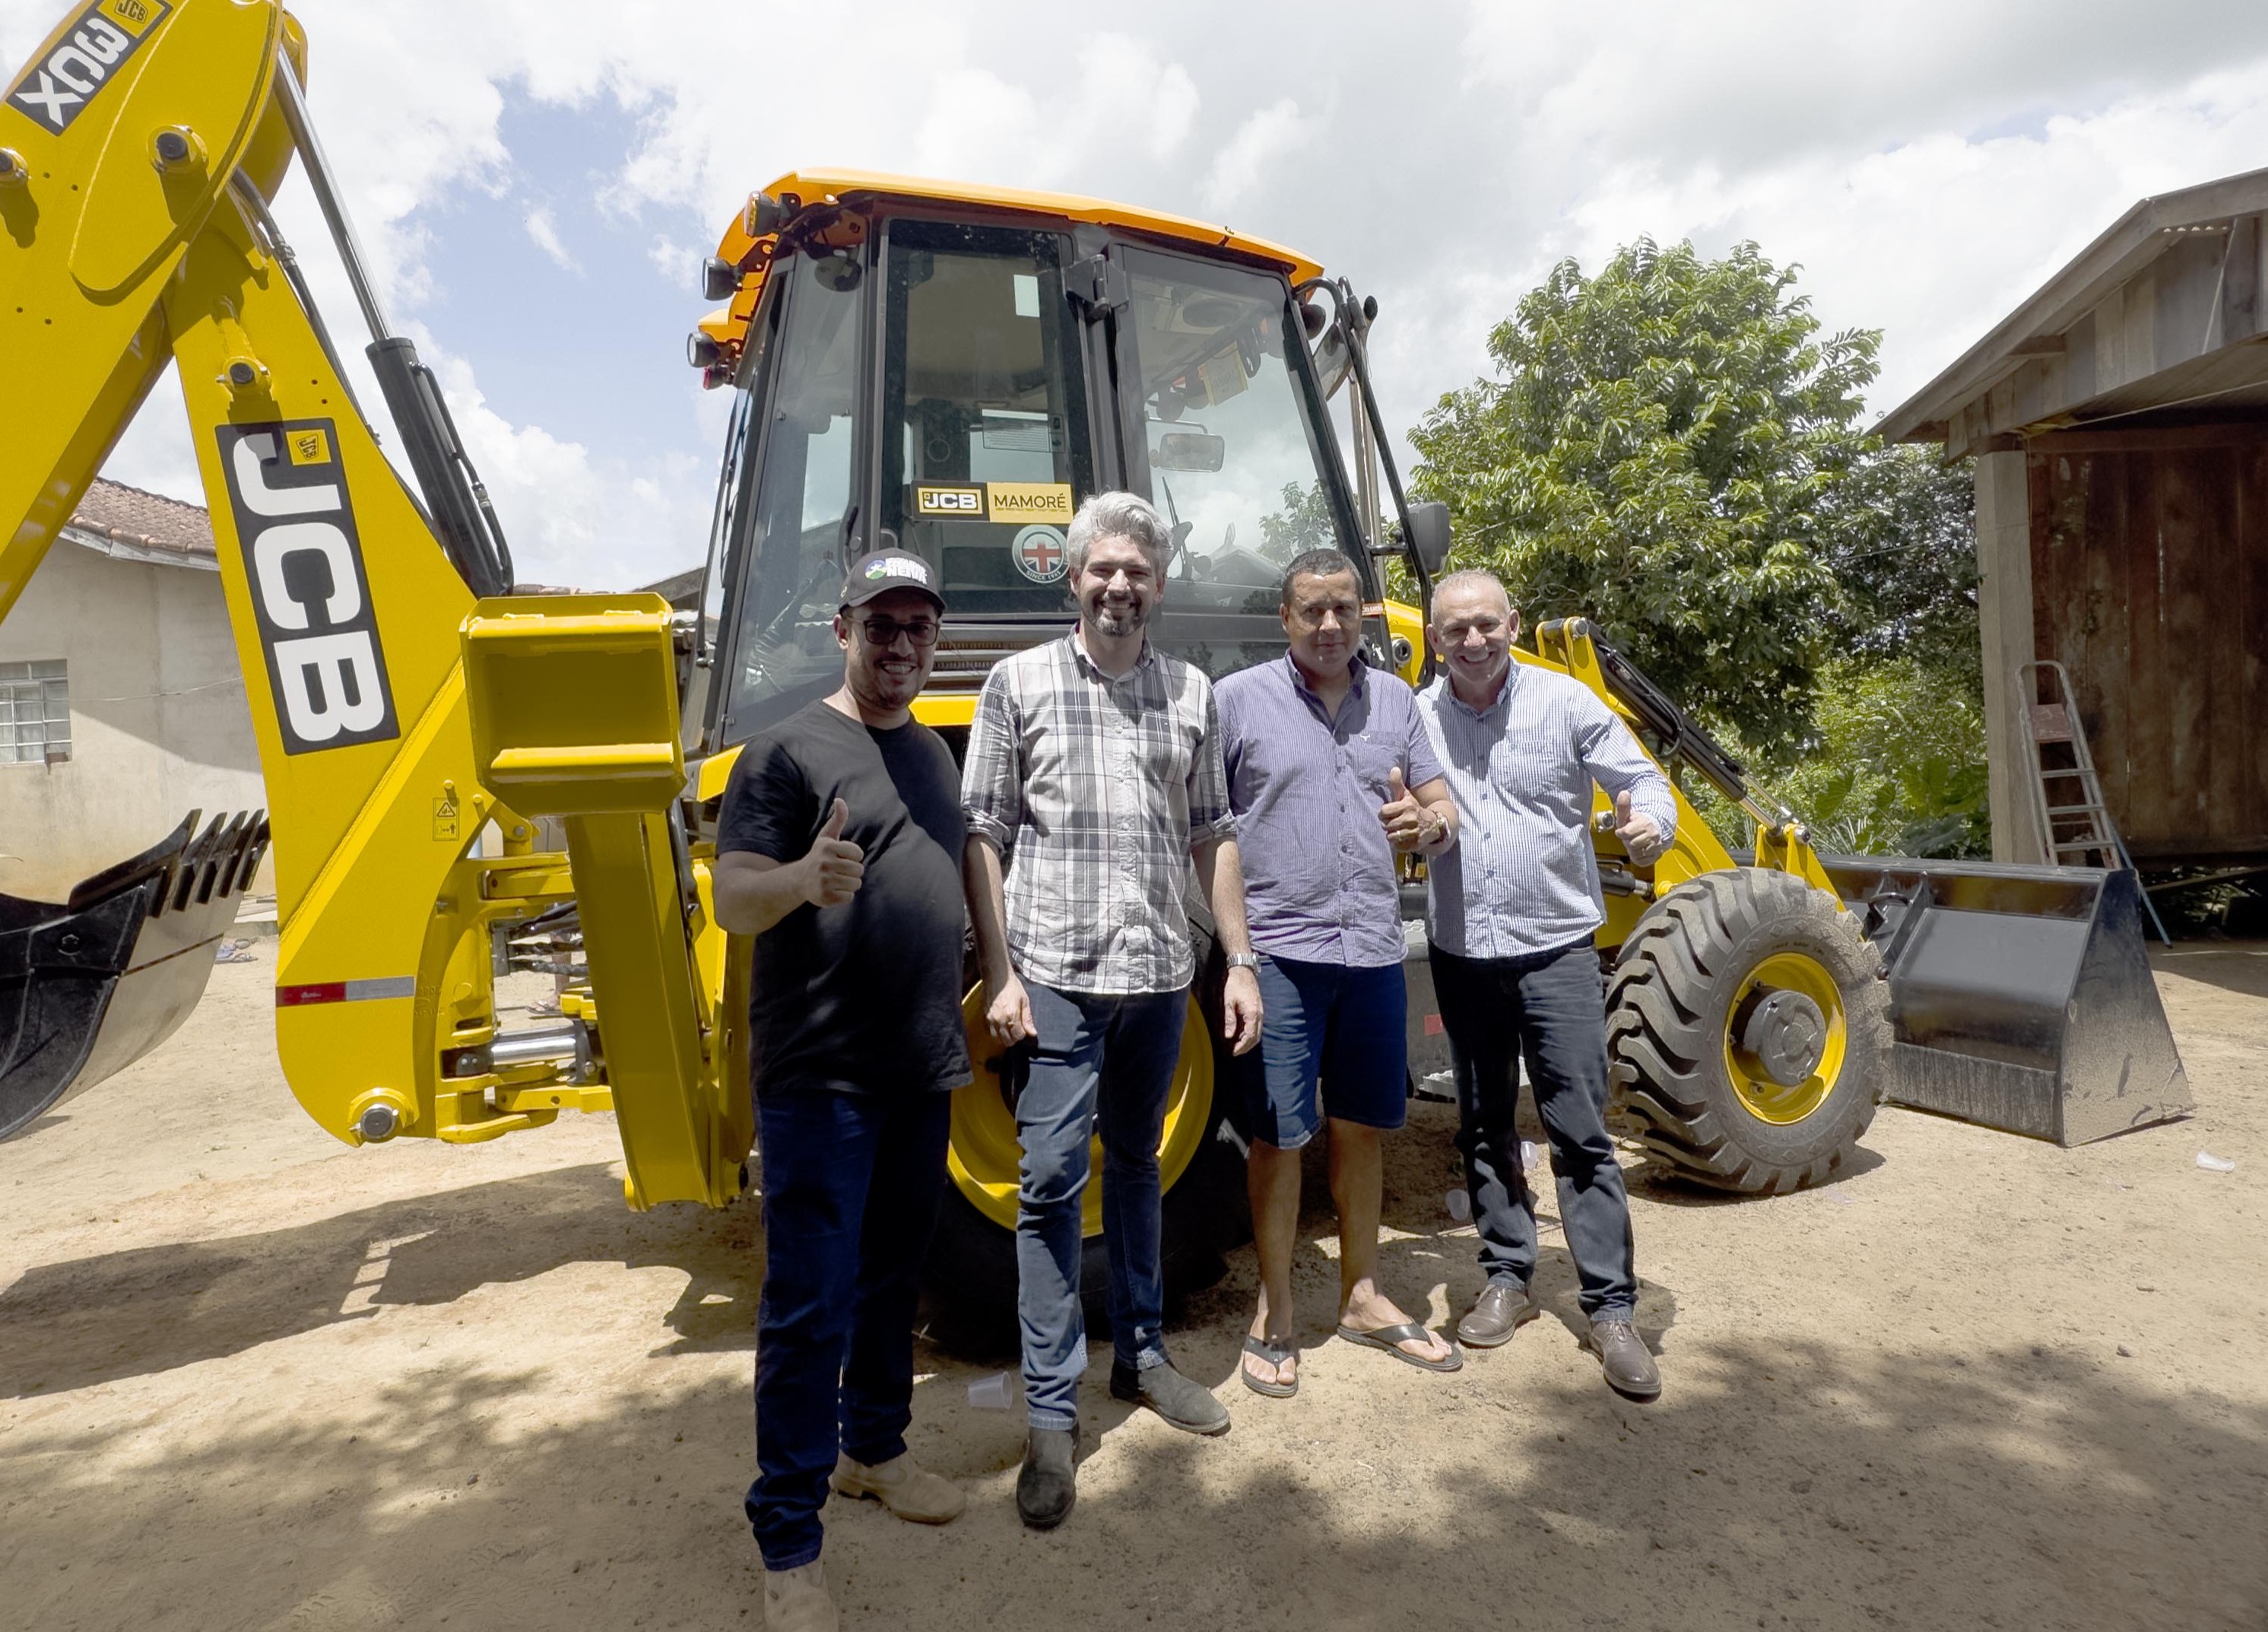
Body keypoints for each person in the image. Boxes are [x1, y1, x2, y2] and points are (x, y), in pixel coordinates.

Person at [962, 490, 1264, 1531]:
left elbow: (1213, 831)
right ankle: (1051, 1415)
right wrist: (1000, 972)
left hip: (1157, 973)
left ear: (1158, 585)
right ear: (1072, 576)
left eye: (1137, 570)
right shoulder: (1017, 683)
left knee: (1138, 1165)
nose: (1119, 585)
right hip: (1053, 972)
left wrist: (1238, 961)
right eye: (1103, 568)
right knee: (1050, 1181)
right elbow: (983, 833)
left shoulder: (1190, 692)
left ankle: (1140, 1355)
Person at [712, 551, 971, 1632]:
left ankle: (873, 1448)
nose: (899, 644)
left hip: (919, 1064)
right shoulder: (782, 750)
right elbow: (732, 898)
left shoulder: (931, 753)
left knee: (890, 1282)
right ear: (842, 630)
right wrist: (797, 880)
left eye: (917, 627)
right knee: (809, 1302)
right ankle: (788, 1541)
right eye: (881, 625)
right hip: (821, 1074)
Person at [1416, 568, 1676, 1402]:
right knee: (1483, 1123)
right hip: (1462, 953)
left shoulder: (1565, 702)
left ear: (1512, 622)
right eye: (1455, 629)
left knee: (1579, 1130)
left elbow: (1641, 780)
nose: (1473, 641)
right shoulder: (1416, 718)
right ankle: (1507, 1275)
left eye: (1486, 624)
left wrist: (1648, 822)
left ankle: (1611, 1309)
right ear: (1434, 639)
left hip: (1556, 951)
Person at [1215, 548, 1464, 1398]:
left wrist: (1428, 827)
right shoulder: (1237, 700)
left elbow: (1441, 807)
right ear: (1284, 618)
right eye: (1312, 610)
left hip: (1372, 951)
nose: (1329, 625)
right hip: (1280, 954)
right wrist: (1236, 956)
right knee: (1279, 1134)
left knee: (1361, 1126)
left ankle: (1361, 1295)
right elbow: (1209, 832)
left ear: (1363, 615)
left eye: (1344, 609)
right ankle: (1276, 1309)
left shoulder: (1396, 701)